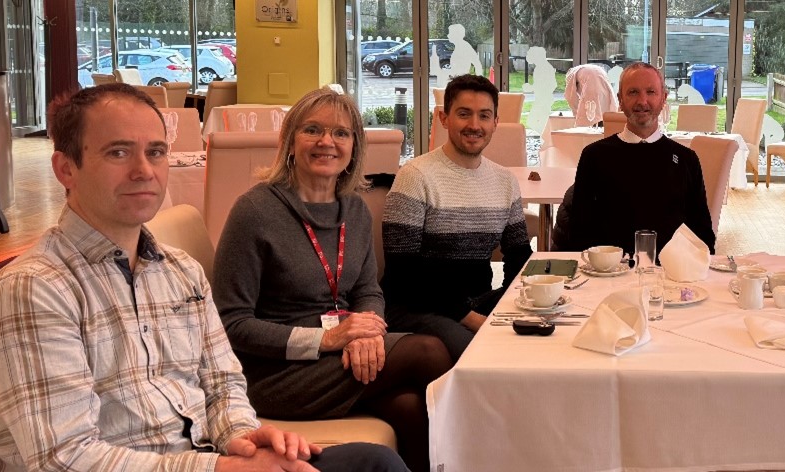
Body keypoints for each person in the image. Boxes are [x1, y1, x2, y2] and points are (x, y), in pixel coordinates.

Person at [0, 83, 404, 471]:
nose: (143, 170)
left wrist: (245, 438)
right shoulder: (35, 288)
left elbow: (223, 384)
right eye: (118, 153)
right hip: (192, 462)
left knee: (375, 463)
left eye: (155, 152)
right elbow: (65, 458)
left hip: (208, 454)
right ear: (66, 169)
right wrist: (224, 466)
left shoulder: (180, 271)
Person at [212, 87, 441, 471]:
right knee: (427, 351)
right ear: (289, 141)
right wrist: (327, 338)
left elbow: (368, 289)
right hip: (276, 374)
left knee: (410, 408)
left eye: (341, 133)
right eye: (312, 130)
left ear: (354, 147)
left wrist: (365, 332)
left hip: (339, 360)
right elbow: (230, 325)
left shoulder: (354, 208)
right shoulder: (254, 211)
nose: (326, 142)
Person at [382, 74, 533, 342]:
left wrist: (519, 304)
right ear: (444, 118)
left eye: (484, 116)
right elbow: (403, 273)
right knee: (475, 348)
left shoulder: (505, 181)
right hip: (415, 306)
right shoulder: (415, 176)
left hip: (477, 301)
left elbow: (519, 257)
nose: (474, 125)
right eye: (464, 114)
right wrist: (475, 320)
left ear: (495, 123)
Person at [558, 62, 716, 254]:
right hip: (610, 274)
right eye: (633, 92)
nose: (642, 101)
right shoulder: (595, 157)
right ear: (620, 100)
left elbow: (702, 234)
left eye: (651, 92)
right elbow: (579, 233)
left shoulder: (686, 160)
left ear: (663, 98)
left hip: (671, 276)